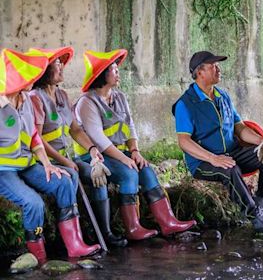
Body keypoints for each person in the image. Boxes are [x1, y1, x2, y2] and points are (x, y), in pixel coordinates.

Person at [74, 49, 196, 240]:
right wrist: (124, 159)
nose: (118, 73)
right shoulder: (87, 102)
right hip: (94, 157)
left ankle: (168, 222)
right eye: (114, 70)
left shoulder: (120, 97)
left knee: (146, 170)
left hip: (119, 153)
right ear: (102, 75)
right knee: (129, 174)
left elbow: (130, 127)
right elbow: (98, 138)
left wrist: (135, 152)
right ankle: (132, 228)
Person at [0, 48, 100, 264]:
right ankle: (38, 257)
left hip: (26, 164)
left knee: (63, 180)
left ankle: (75, 246)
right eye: (26, 76)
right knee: (33, 203)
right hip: (3, 172)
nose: (32, 79)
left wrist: (47, 164)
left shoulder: (25, 100)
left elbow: (34, 136)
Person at [172, 51, 263, 234]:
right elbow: (184, 141)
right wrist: (212, 158)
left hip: (231, 152)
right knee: (229, 170)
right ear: (200, 72)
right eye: (213, 66)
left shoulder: (223, 96)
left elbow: (239, 127)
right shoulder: (186, 103)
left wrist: (261, 140)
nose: (218, 69)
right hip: (203, 162)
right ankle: (254, 215)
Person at [27, 46, 127, 248]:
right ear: (44, 70)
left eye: (61, 63)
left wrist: (93, 150)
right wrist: (65, 162)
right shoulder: (35, 98)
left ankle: (105, 232)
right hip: (43, 162)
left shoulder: (63, 95)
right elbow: (36, 138)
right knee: (70, 176)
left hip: (66, 160)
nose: (62, 67)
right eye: (57, 64)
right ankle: (72, 242)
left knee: (98, 174)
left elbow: (76, 130)